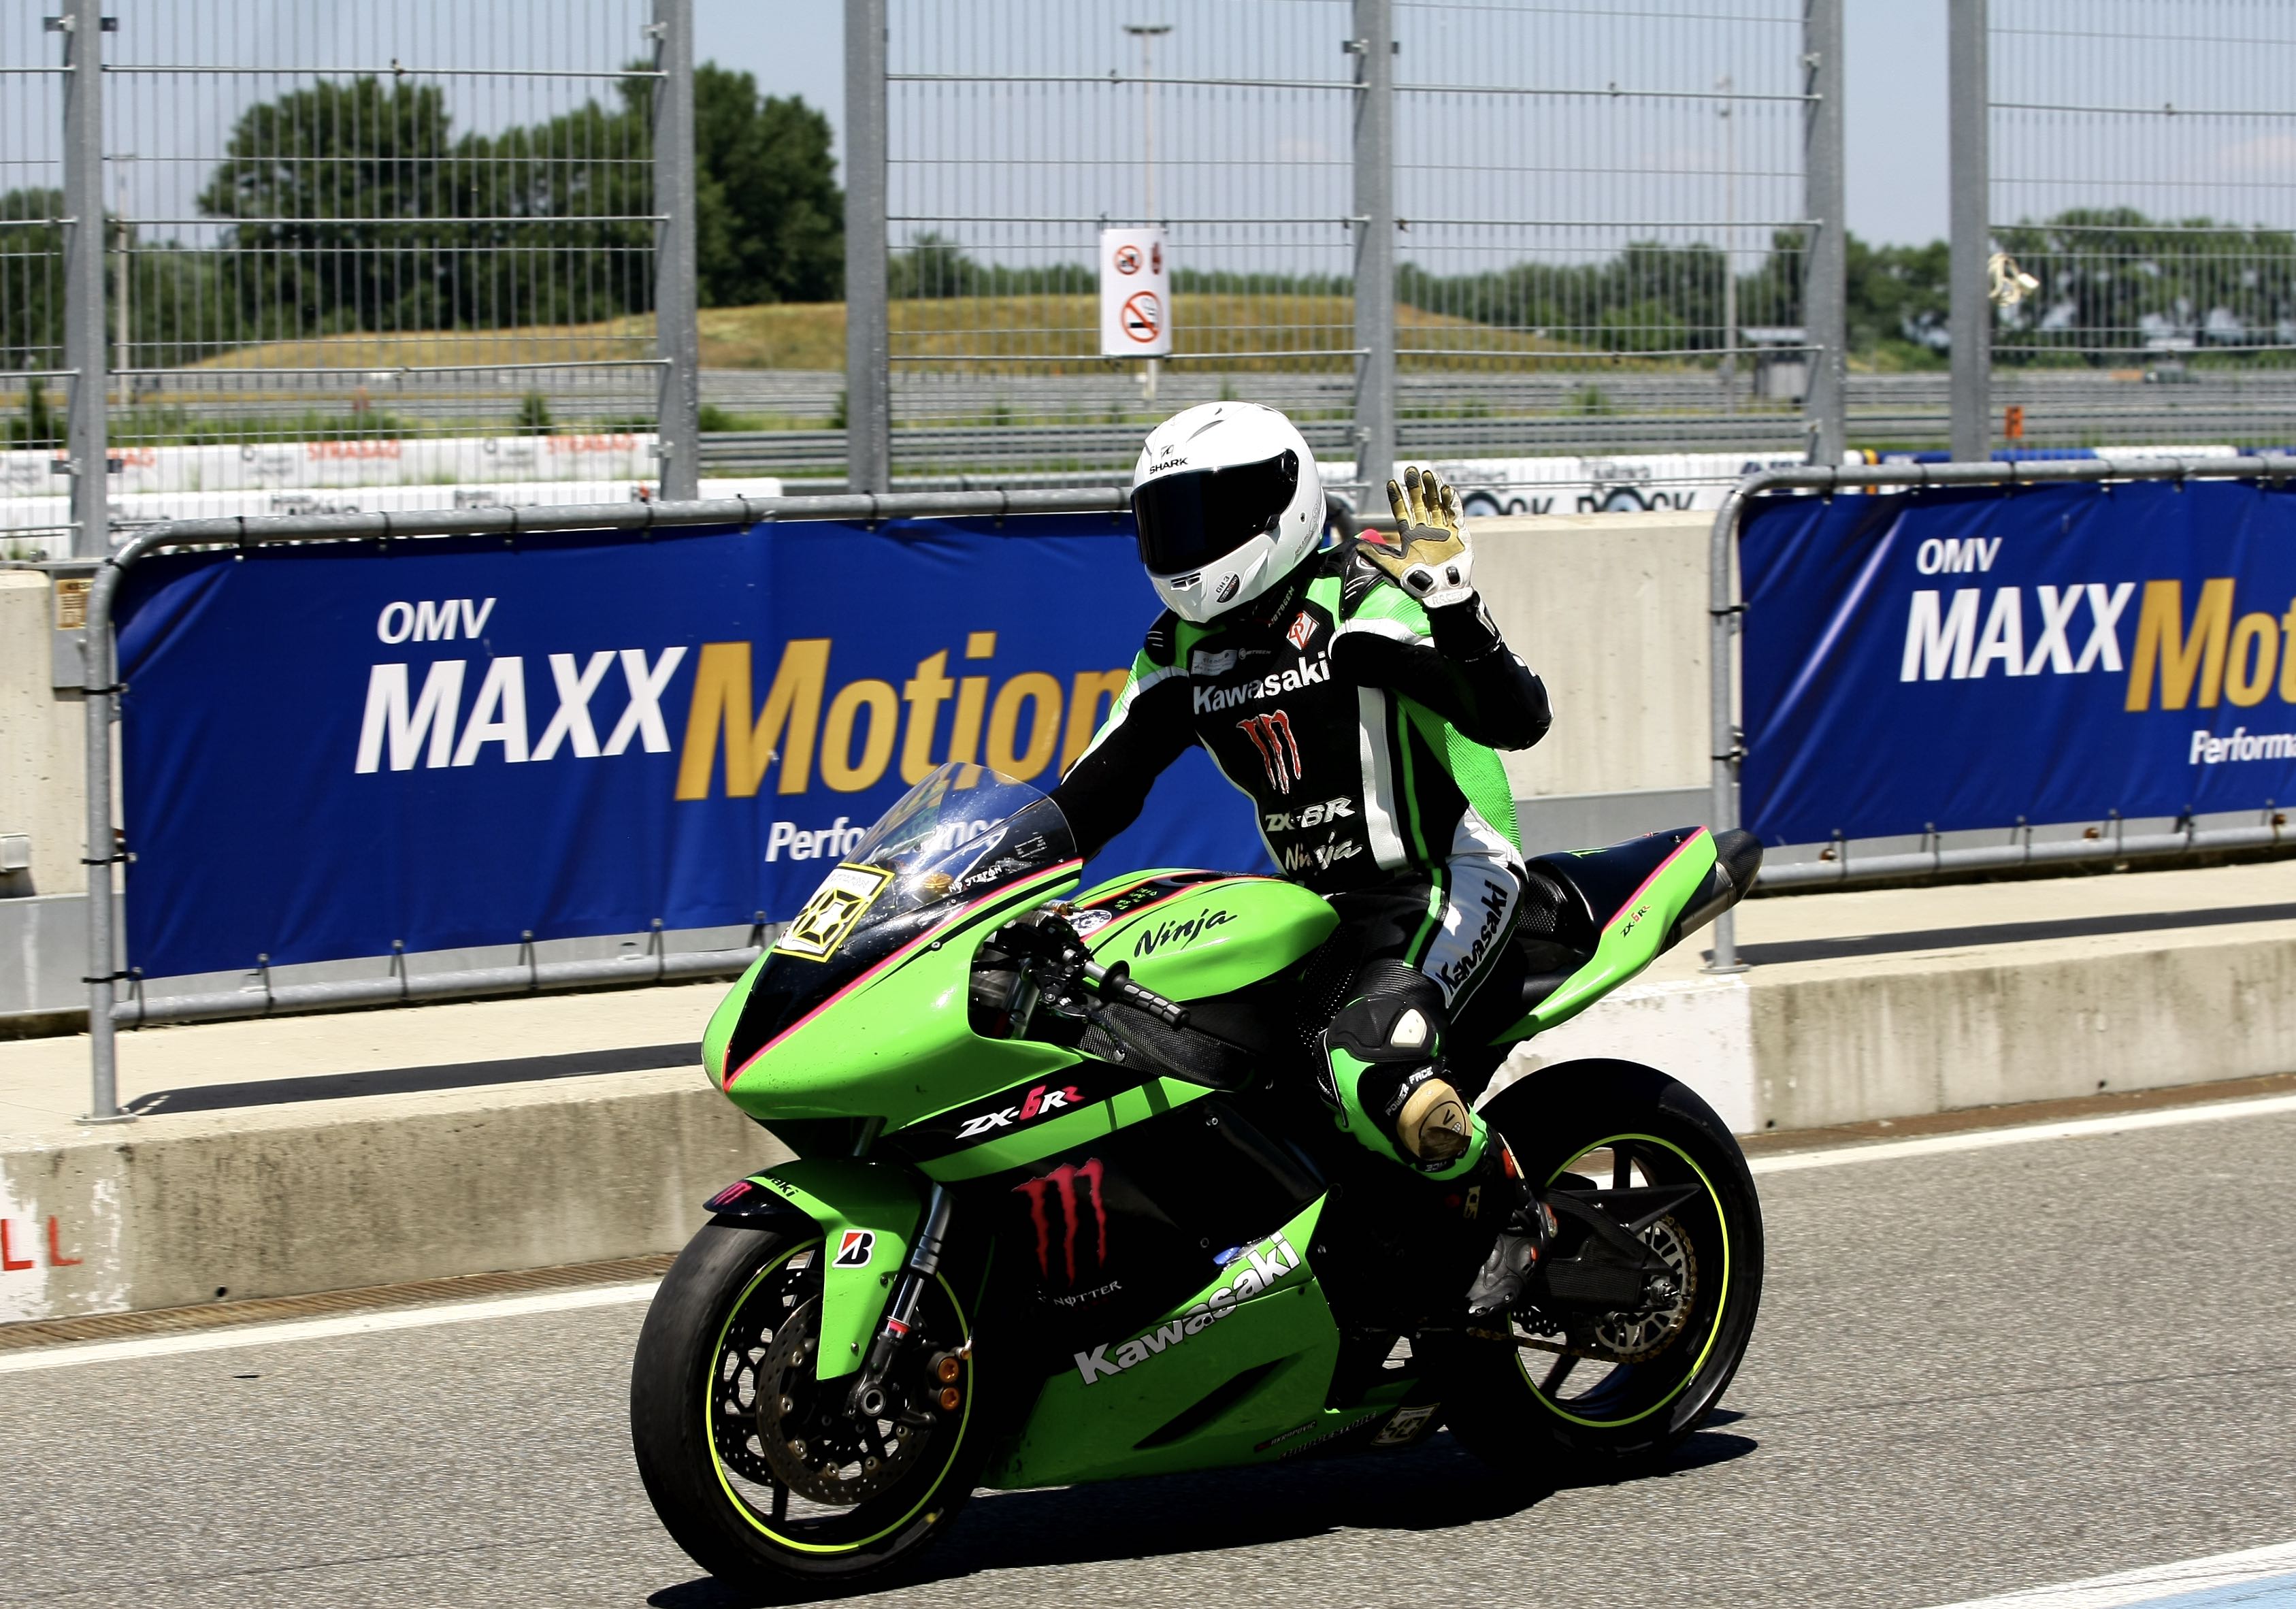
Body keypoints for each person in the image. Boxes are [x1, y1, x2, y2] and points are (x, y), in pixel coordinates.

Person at [1048, 400, 1557, 1319]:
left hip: (1445, 878)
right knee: (1182, 1046)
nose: (1186, 543)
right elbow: (1095, 795)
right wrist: (984, 882)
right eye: (1168, 521)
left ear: (1280, 503)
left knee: (1369, 1064)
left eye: (1207, 515)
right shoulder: (1180, 652)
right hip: (1316, 906)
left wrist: (1456, 611)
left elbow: (1516, 720)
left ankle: (1508, 1208)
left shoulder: (1362, 601)